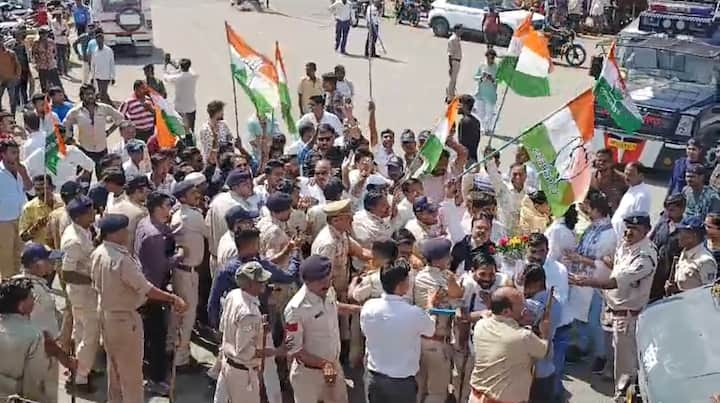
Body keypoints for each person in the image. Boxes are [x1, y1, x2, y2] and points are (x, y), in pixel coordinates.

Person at [91, 213, 187, 403]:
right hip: (125, 319)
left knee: (115, 370)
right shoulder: (121, 260)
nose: (127, 233)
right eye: (123, 230)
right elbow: (146, 288)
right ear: (113, 234)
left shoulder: (98, 252)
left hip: (106, 315)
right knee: (131, 375)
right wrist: (172, 298)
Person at [569, 211, 657, 400]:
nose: (629, 232)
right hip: (612, 311)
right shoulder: (626, 246)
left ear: (646, 231)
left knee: (626, 368)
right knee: (617, 361)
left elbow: (615, 281)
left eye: (635, 228)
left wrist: (586, 281)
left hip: (628, 317)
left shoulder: (644, 256)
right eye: (628, 227)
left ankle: (623, 397)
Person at [284, 255, 362, 403]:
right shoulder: (296, 309)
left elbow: (335, 307)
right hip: (308, 376)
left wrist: (359, 309)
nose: (326, 283)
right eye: (320, 281)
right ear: (307, 282)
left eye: (328, 278)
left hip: (333, 367)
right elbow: (295, 350)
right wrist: (323, 364)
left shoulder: (327, 290)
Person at [360, 259, 436, 403]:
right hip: (402, 384)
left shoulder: (368, 307)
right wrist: (430, 305)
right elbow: (430, 329)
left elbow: (366, 331)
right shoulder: (413, 313)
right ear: (402, 284)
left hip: (374, 377)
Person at [214, 261, 287, 403]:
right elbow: (247, 353)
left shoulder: (232, 295)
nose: (264, 283)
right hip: (242, 373)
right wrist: (277, 351)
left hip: (227, 364)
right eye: (260, 281)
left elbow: (225, 327)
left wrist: (260, 330)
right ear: (250, 284)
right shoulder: (250, 314)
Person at [469, 286, 550, 403]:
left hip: (476, 397)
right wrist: (545, 333)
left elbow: (489, 316)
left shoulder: (481, 325)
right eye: (521, 306)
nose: (525, 309)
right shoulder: (523, 337)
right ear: (506, 311)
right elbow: (544, 351)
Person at [135, 191, 180, 395]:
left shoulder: (146, 223)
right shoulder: (153, 235)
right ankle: (156, 378)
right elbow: (160, 267)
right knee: (157, 336)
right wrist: (180, 256)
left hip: (146, 287)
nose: (169, 210)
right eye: (166, 206)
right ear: (157, 208)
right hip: (152, 291)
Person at [413, 237, 464, 403]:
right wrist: (452, 282)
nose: (450, 259)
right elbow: (457, 296)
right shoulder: (433, 278)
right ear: (438, 260)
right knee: (436, 393)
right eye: (447, 256)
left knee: (420, 389)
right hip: (435, 341)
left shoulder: (427, 275)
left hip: (423, 340)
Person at [14, 243, 64, 402]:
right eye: (48, 260)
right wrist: (64, 358)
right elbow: (41, 332)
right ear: (37, 264)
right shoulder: (35, 292)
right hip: (41, 354)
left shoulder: (16, 283)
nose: (52, 264)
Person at [60, 194, 98, 391]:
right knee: (89, 335)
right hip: (82, 292)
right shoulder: (73, 240)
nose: (94, 213)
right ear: (79, 216)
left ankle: (80, 367)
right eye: (89, 212)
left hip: (84, 292)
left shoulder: (84, 230)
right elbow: (67, 273)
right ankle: (81, 377)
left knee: (81, 332)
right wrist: (94, 279)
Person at [0, 278, 61, 401]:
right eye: (31, 297)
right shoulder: (34, 336)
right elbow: (33, 384)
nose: (34, 300)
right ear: (21, 306)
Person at [168, 180, 208, 370]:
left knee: (180, 314)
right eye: (193, 194)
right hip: (186, 271)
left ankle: (175, 350)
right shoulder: (192, 216)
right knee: (187, 315)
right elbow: (208, 232)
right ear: (183, 197)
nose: (197, 196)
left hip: (183, 270)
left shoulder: (178, 213)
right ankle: (181, 358)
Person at [63, 84, 125, 167]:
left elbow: (120, 118)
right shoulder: (75, 111)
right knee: (85, 177)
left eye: (92, 93)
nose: (90, 96)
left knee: (102, 175)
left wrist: (109, 131)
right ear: (82, 96)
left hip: (102, 149)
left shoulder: (104, 108)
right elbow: (66, 124)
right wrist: (70, 138)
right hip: (84, 150)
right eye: (87, 94)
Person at [0, 139, 31, 280]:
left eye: (17, 152)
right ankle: (7, 282)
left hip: (21, 217)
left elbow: (29, 187)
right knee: (6, 254)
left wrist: (23, 173)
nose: (16, 156)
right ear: (4, 155)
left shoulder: (21, 168)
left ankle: (18, 280)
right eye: (13, 153)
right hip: (4, 219)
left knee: (20, 252)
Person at [665, 216, 717, 295]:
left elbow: (708, 294)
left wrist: (679, 292)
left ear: (693, 235)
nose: (678, 237)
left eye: (681, 232)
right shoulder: (684, 253)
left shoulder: (706, 261)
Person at [106, 175, 150, 252]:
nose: (147, 193)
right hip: (127, 256)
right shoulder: (141, 213)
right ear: (138, 191)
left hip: (110, 252)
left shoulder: (114, 204)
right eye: (146, 191)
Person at [19, 174, 63, 245]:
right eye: (38, 189)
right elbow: (23, 237)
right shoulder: (29, 208)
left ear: (52, 187)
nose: (42, 192)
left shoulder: (63, 201)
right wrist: (35, 228)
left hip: (63, 246)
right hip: (44, 251)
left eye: (45, 188)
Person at [611, 162, 651, 236]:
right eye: (625, 174)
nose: (626, 177)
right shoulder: (632, 187)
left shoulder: (642, 196)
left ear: (641, 176)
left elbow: (639, 224)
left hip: (625, 238)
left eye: (630, 175)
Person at [164, 58, 199, 135]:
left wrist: (166, 64)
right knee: (190, 130)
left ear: (181, 67)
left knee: (180, 131)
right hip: (191, 107)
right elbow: (189, 70)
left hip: (179, 108)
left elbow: (165, 76)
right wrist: (177, 66)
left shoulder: (177, 78)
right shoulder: (194, 76)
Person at [590, 148, 627, 213]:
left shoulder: (622, 179)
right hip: (593, 218)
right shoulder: (590, 177)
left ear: (611, 162)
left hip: (614, 218)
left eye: (605, 161)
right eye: (599, 160)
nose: (601, 163)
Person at [473, 48, 498, 135]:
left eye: (492, 58)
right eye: (489, 58)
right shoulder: (482, 65)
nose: (490, 60)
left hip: (490, 95)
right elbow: (475, 77)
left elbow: (499, 80)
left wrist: (492, 79)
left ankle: (488, 128)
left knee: (489, 113)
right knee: (480, 113)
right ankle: (483, 128)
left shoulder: (496, 67)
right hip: (480, 93)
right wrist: (481, 77)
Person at [31, 26, 63, 93]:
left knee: (57, 83)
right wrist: (37, 62)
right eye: (42, 34)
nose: (44, 35)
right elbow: (34, 54)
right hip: (42, 66)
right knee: (44, 85)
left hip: (52, 65)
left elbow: (55, 52)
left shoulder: (51, 42)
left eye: (45, 33)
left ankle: (63, 97)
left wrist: (53, 59)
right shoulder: (36, 43)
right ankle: (46, 99)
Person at [90, 31, 115, 105]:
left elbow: (112, 64)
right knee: (102, 93)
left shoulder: (109, 51)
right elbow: (92, 64)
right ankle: (110, 105)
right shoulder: (95, 51)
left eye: (100, 41)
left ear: (103, 40)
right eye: (97, 41)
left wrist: (113, 77)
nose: (99, 43)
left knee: (103, 93)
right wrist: (92, 76)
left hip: (106, 76)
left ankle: (107, 106)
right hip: (98, 76)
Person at [457, 94, 481, 163]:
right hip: (474, 158)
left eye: (459, 104)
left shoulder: (464, 122)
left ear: (465, 106)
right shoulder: (476, 121)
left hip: (466, 160)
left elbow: (462, 144)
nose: (457, 106)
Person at [0, 41, 20, 114]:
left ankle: (13, 114)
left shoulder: (11, 53)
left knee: (12, 99)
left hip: (11, 79)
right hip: (1, 79)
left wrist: (17, 76)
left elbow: (17, 65)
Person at [446, 24, 463, 102]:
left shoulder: (457, 39)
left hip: (457, 61)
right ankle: (449, 97)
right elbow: (450, 53)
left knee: (454, 80)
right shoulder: (453, 39)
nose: (462, 31)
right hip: (454, 61)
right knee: (452, 80)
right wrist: (451, 66)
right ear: (456, 30)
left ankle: (451, 94)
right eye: (460, 29)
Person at [50, 11, 70, 75]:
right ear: (55, 15)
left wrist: (65, 33)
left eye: (60, 15)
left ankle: (65, 71)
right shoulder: (53, 22)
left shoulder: (64, 21)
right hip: (57, 41)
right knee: (58, 57)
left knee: (64, 56)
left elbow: (68, 30)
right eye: (57, 15)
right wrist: (61, 32)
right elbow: (55, 32)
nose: (59, 16)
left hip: (64, 41)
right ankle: (59, 71)